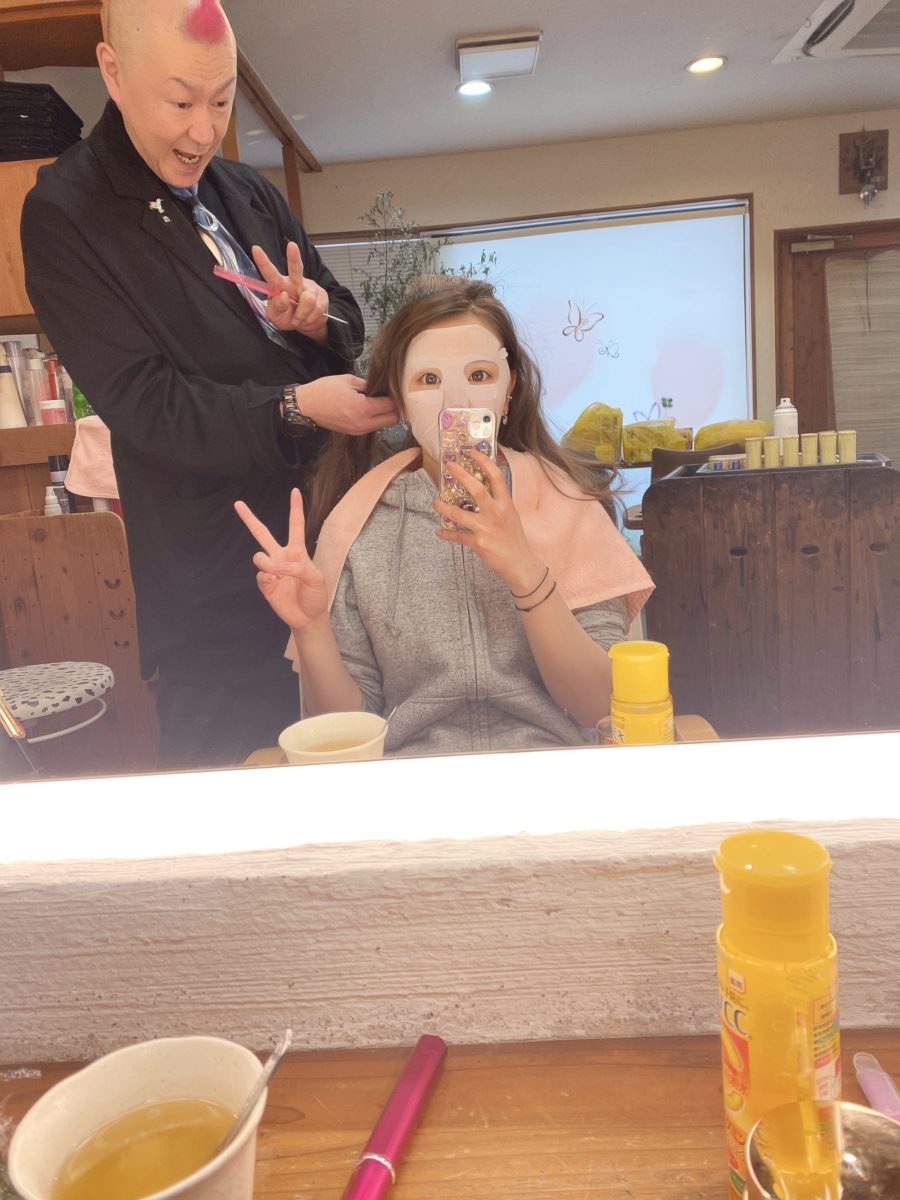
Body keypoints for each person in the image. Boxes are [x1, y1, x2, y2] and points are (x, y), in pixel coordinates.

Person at [20, 0, 396, 769]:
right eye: (181, 102)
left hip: (330, 551)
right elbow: (146, 405)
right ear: (112, 72)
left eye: (221, 102)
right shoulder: (67, 211)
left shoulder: (245, 191)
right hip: (218, 582)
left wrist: (315, 315)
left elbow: (347, 315)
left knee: (349, 775)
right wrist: (295, 406)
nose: (203, 132)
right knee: (233, 791)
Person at [236, 281, 654, 757]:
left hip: (548, 767)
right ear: (398, 397)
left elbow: (601, 706)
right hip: (411, 775)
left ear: (510, 388)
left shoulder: (567, 504)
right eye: (429, 379)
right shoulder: (357, 523)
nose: (456, 400)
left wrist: (525, 570)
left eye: (479, 375)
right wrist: (311, 630)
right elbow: (349, 726)